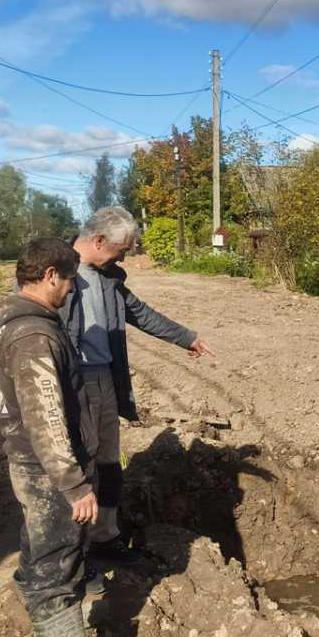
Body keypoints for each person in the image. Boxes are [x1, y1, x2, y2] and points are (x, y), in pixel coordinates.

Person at [0, 237, 137, 637]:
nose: (73, 289)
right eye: (70, 278)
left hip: (33, 467)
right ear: (50, 274)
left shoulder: (15, 323)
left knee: (41, 560)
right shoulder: (34, 335)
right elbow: (46, 416)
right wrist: (75, 485)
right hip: (47, 472)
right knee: (58, 568)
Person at [62, 206, 214, 565]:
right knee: (76, 467)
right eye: (123, 248)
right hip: (71, 386)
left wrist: (185, 338)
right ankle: (72, 553)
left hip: (105, 379)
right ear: (99, 240)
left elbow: (141, 313)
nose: (126, 254)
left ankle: (105, 539)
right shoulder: (55, 270)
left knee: (109, 464)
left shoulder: (109, 277)